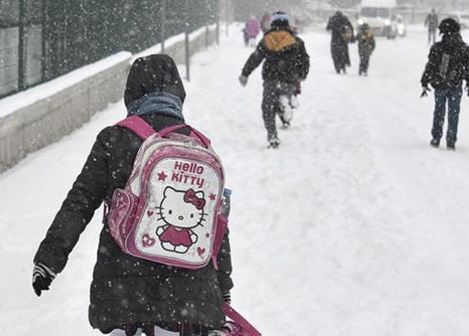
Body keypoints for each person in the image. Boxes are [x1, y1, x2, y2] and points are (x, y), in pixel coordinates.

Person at [31, 54, 234, 335]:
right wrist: (222, 288)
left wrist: (48, 259)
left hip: (123, 293)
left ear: (132, 93)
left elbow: (80, 202)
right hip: (191, 298)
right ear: (178, 93)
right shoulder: (199, 147)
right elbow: (216, 224)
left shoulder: (114, 139)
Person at [239, 11, 310, 149]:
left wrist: (245, 73)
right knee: (283, 96)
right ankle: (286, 105)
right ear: (287, 23)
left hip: (271, 79)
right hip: (289, 79)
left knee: (267, 107)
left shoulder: (267, 40)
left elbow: (255, 58)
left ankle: (272, 136)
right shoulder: (296, 41)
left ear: (273, 23)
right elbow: (304, 60)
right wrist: (302, 74)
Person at [420, 18, 469, 150]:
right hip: (456, 84)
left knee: (439, 111)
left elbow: (430, 66)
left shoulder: (438, 47)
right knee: (453, 112)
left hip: (440, 83)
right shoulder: (463, 47)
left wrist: (425, 81)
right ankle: (451, 139)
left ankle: (436, 137)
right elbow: (468, 66)